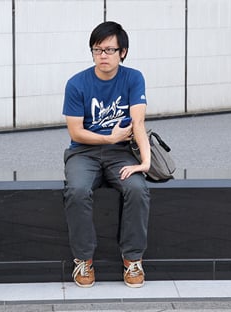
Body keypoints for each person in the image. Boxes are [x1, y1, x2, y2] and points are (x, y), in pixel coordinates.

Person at [62, 21, 151, 288]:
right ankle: (83, 260)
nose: (103, 56)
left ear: (122, 52)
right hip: (83, 153)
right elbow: (76, 132)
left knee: (137, 188)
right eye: (97, 50)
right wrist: (107, 137)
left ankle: (132, 259)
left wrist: (144, 163)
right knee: (76, 191)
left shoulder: (133, 78)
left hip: (121, 152)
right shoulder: (77, 83)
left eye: (109, 50)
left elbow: (138, 124)